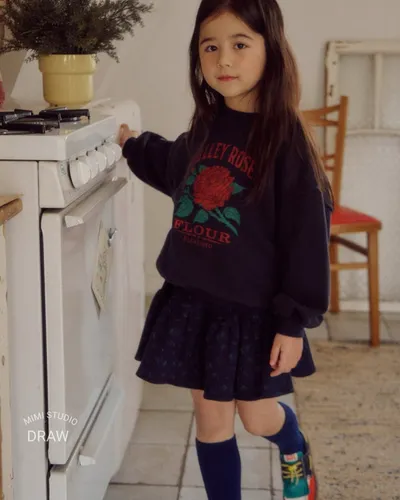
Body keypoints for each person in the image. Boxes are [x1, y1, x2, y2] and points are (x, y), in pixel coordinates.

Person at [118, 0, 332, 498]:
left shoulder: (287, 142)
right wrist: (132, 145)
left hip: (253, 314)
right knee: (211, 420)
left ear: (270, 49)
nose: (224, 60)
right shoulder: (209, 124)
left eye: (239, 44)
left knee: (257, 418)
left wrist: (293, 323)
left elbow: (306, 238)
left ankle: (293, 442)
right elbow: (175, 167)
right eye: (209, 47)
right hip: (195, 303)